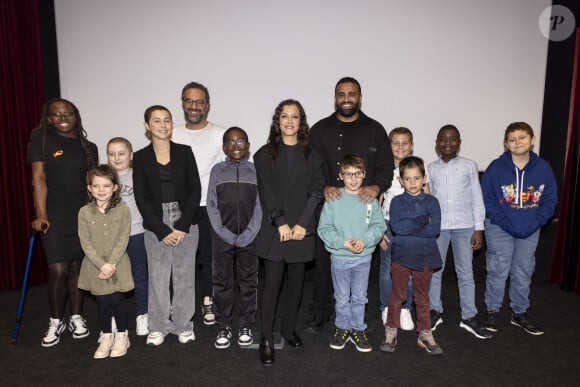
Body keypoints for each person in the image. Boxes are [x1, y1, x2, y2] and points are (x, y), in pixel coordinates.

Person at [307, 76, 394, 332]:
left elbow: (386, 167)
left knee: (359, 266)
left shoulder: (375, 130)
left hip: (361, 209)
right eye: (341, 94)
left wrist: (376, 186)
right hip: (329, 206)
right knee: (323, 264)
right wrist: (323, 186)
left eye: (351, 94)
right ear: (335, 98)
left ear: (360, 97)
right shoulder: (319, 130)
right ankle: (321, 312)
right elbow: (309, 167)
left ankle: (356, 315)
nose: (346, 99)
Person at [254, 99, 325, 366]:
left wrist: (303, 223)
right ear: (278, 121)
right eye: (285, 116)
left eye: (295, 117)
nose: (289, 122)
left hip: (302, 230)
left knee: (297, 283)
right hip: (275, 230)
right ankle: (266, 338)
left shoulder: (312, 155)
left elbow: (317, 190)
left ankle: (287, 328)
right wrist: (281, 222)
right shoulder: (264, 154)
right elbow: (266, 192)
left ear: (301, 122)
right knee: (272, 284)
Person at [29, 98, 98, 347]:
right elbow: (38, 178)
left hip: (81, 214)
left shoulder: (88, 146)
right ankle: (56, 320)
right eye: (57, 115)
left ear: (75, 116)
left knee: (77, 269)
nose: (63, 118)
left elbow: (91, 186)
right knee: (58, 269)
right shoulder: (42, 138)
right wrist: (41, 213)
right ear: (49, 118)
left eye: (68, 114)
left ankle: (77, 317)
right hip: (53, 213)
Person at [133, 105, 201, 346]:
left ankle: (184, 325)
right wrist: (162, 230)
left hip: (185, 218)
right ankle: (159, 325)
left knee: (184, 275)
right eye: (157, 121)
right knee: (158, 276)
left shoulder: (184, 152)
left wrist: (182, 225)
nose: (163, 125)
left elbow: (195, 191)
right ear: (147, 126)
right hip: (155, 221)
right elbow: (141, 198)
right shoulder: (140, 157)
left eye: (167, 120)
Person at [482, 122, 557, 336]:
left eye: (522, 138)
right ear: (506, 143)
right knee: (497, 270)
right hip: (500, 227)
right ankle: (493, 310)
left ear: (532, 140)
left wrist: (535, 223)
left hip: (530, 229)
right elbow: (488, 199)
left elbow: (550, 199)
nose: (518, 143)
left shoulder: (543, 168)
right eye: (512, 139)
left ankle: (519, 313)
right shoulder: (496, 167)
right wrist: (507, 224)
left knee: (523, 271)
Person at [427, 125, 492, 339]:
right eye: (443, 139)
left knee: (465, 272)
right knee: (435, 271)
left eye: (452, 139)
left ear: (459, 142)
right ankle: (434, 310)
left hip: (465, 227)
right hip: (439, 228)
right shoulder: (430, 168)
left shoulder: (469, 166)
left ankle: (469, 316)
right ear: (437, 143)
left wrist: (479, 229)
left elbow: (477, 198)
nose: (448, 143)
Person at [318, 155, 386, 353]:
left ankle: (357, 328)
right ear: (340, 176)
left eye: (357, 174)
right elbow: (324, 228)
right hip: (339, 258)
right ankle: (342, 327)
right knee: (341, 296)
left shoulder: (369, 199)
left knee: (359, 297)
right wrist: (343, 243)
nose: (353, 178)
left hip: (363, 258)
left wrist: (363, 241)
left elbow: (378, 226)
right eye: (348, 174)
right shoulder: (334, 198)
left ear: (364, 175)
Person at [172, 82, 226, 326]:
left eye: (199, 101)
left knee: (208, 258)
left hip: (208, 206)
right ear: (183, 103)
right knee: (179, 259)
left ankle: (208, 299)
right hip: (178, 207)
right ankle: (179, 303)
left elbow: (227, 172)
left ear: (208, 105)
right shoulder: (171, 133)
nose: (194, 106)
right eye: (189, 101)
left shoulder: (220, 134)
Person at [381, 156, 443, 355]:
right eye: (407, 179)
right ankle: (391, 329)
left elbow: (434, 231)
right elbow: (397, 228)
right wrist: (422, 220)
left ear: (424, 178)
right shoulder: (397, 202)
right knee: (397, 295)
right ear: (400, 181)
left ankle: (425, 332)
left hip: (425, 256)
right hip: (401, 255)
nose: (412, 183)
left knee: (422, 297)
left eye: (417, 178)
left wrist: (413, 226)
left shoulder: (432, 201)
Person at [207, 127, 262, 349]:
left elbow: (261, 204)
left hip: (251, 236)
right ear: (224, 148)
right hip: (222, 237)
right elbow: (211, 204)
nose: (235, 146)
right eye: (230, 142)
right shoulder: (217, 171)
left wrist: (249, 233)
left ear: (248, 146)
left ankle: (246, 324)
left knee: (248, 282)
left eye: (240, 141)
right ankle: (223, 325)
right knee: (222, 282)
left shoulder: (256, 171)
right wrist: (226, 234)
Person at [78, 165, 134, 359]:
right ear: (89, 188)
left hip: (118, 264)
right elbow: (85, 242)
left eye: (106, 186)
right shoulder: (84, 212)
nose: (101, 190)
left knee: (117, 300)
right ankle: (106, 335)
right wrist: (102, 265)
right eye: (96, 186)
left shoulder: (123, 211)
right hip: (95, 266)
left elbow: (123, 239)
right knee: (102, 301)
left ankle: (122, 335)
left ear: (115, 187)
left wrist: (110, 264)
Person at [379, 127, 426, 330]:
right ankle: (387, 308)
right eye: (395, 143)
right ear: (389, 146)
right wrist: (379, 230)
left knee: (407, 271)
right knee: (387, 270)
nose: (400, 147)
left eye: (405, 142)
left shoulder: (419, 167)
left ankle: (404, 308)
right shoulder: (383, 170)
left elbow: (428, 198)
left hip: (413, 230)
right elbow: (377, 201)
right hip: (388, 226)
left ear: (412, 145)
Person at [107, 137, 149, 336]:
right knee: (113, 278)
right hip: (111, 239)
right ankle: (115, 317)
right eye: (111, 154)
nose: (116, 158)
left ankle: (142, 314)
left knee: (140, 277)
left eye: (121, 153)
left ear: (131, 155)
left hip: (136, 233)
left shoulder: (138, 175)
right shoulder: (104, 178)